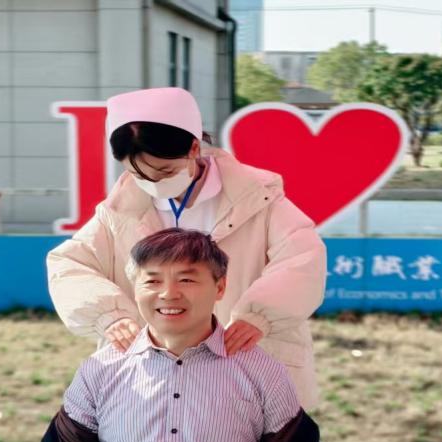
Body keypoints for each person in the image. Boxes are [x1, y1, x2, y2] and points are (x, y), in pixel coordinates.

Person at [26, 228, 327, 442]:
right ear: (134, 288)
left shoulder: (262, 372)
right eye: (152, 281)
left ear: (220, 287)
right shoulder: (100, 370)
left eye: (186, 279)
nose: (168, 294)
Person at [46, 87, 327, 408]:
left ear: (194, 147)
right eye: (137, 174)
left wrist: (258, 316)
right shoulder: (120, 211)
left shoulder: (256, 198)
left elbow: (301, 259)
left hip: (246, 361)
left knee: (258, 438)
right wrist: (108, 315)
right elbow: (69, 265)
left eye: (165, 171)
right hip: (154, 374)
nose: (153, 183)